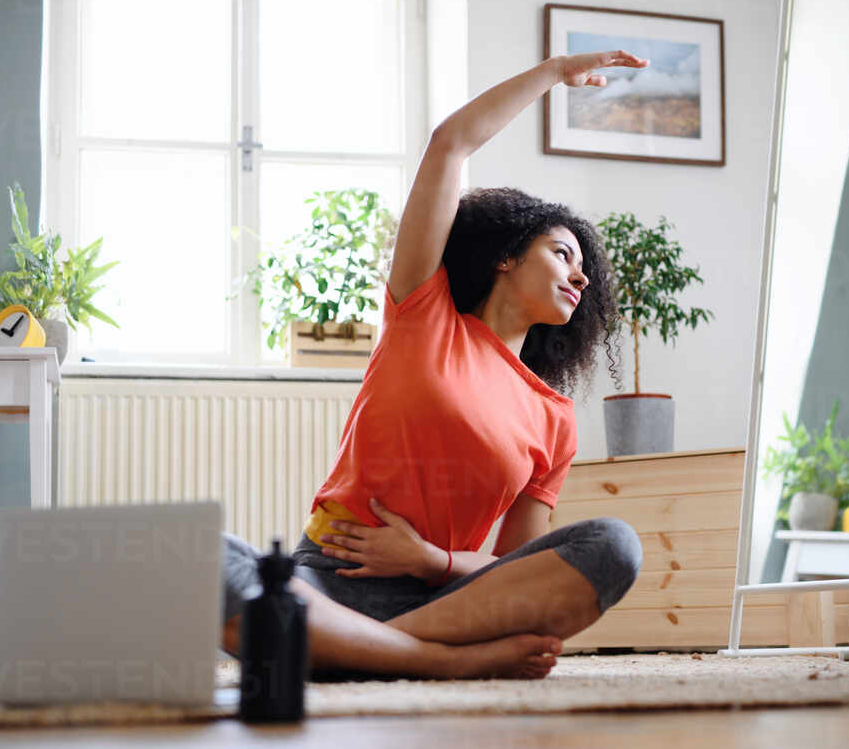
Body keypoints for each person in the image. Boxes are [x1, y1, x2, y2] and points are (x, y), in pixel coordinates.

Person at [222, 49, 651, 681]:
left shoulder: (553, 416)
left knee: (614, 546)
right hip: (332, 581)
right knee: (207, 554)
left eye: (582, 266)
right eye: (562, 253)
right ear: (506, 255)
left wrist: (429, 560)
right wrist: (554, 73)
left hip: (451, 604)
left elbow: (513, 564)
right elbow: (449, 144)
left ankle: (351, 651)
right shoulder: (424, 313)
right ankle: (421, 661)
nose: (580, 275)